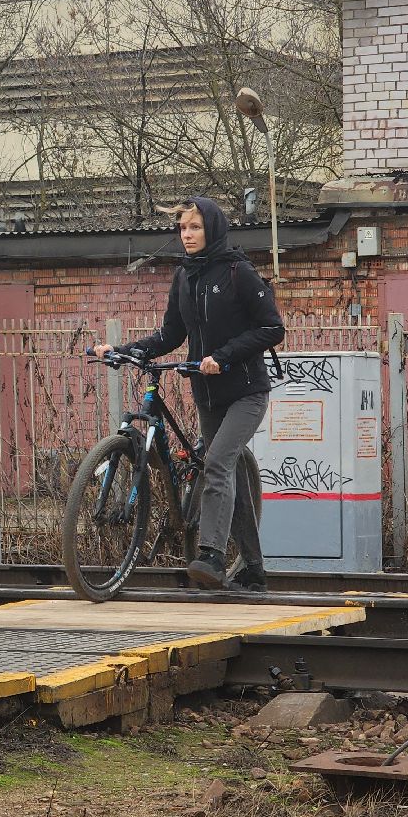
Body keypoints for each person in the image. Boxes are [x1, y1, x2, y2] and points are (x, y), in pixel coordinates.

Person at [95, 197, 284, 591]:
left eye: (195, 227)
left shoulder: (238, 272)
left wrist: (224, 356)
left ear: (211, 228)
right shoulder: (184, 276)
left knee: (216, 463)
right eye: (182, 229)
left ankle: (211, 556)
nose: (188, 235)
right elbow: (170, 335)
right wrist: (126, 350)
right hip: (208, 393)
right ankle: (253, 567)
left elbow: (271, 329)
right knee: (224, 469)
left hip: (246, 391)